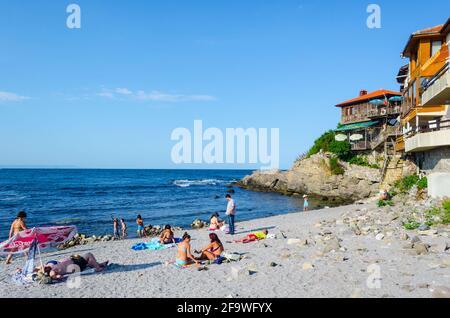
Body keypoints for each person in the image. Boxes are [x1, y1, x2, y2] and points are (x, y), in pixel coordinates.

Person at [42, 253, 109, 281]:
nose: (45, 266)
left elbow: (36, 269)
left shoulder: (50, 267)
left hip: (75, 262)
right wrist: (57, 277)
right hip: (76, 265)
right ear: (45, 271)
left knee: (88, 263)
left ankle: (100, 264)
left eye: (44, 266)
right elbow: (55, 276)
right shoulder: (51, 272)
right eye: (44, 268)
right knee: (89, 254)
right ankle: (98, 268)